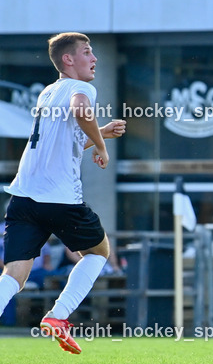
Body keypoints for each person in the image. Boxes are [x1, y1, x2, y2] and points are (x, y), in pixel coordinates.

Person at [0, 33, 126, 354]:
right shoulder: (81, 88)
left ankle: (54, 316)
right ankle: (58, 315)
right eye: (87, 52)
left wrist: (101, 135)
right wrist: (100, 145)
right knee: (99, 252)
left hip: (24, 197)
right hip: (59, 198)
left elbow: (60, 146)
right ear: (68, 60)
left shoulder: (47, 93)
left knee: (14, 274)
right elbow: (82, 109)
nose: (94, 58)